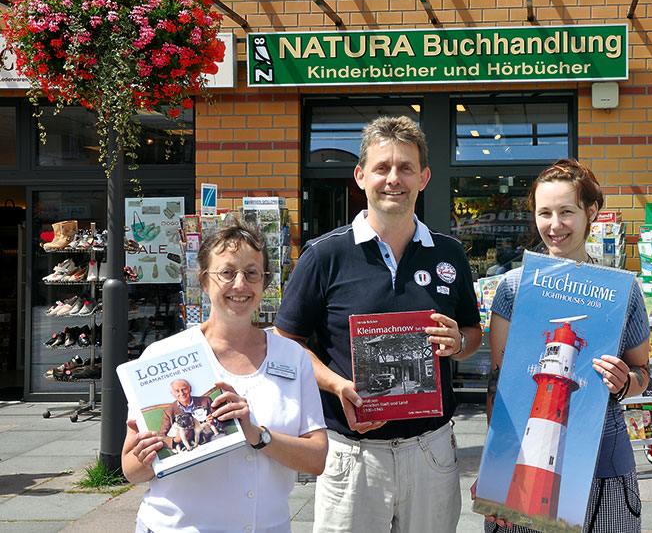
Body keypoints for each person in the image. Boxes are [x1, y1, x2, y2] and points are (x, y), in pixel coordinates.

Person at [273, 115, 482, 533]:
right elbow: (284, 342)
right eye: (382, 167)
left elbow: (472, 334)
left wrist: (458, 341)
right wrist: (337, 386)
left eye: (405, 167)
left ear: (423, 177)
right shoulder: (323, 255)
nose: (394, 179)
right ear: (361, 175)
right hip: (353, 455)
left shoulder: (449, 253)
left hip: (432, 450)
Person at [122, 218, 328, 533]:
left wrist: (256, 434)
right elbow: (132, 470)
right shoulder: (163, 359)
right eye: (227, 273)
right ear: (204, 281)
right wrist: (146, 455)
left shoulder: (293, 357)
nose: (240, 285)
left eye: (252, 273)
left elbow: (317, 459)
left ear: (265, 282)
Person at [479, 159, 651, 533]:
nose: (554, 226)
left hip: (603, 465)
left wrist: (626, 382)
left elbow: (643, 375)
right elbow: (500, 381)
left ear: (591, 211)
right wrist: (494, 469)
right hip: (525, 462)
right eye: (545, 213)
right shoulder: (512, 287)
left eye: (566, 212)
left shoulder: (622, 290)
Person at [157, 378, 214, 451]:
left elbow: (220, 419)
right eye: (177, 391)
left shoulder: (206, 401)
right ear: (173, 394)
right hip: (186, 447)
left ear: (190, 389)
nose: (181, 393)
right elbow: (160, 437)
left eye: (184, 389)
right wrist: (176, 440)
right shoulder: (168, 412)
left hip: (209, 438)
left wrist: (214, 422)